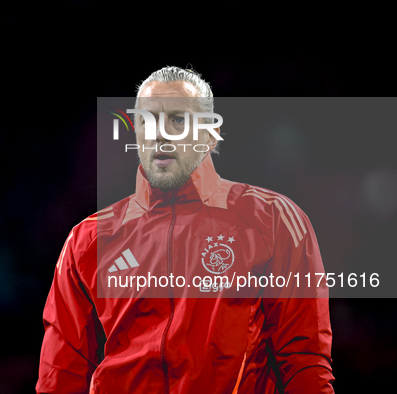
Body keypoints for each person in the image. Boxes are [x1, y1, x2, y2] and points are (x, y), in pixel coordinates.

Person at [36, 66, 334, 393]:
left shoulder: (273, 220)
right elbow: (60, 377)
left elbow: (304, 361)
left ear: (209, 136)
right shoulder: (88, 239)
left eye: (177, 119)